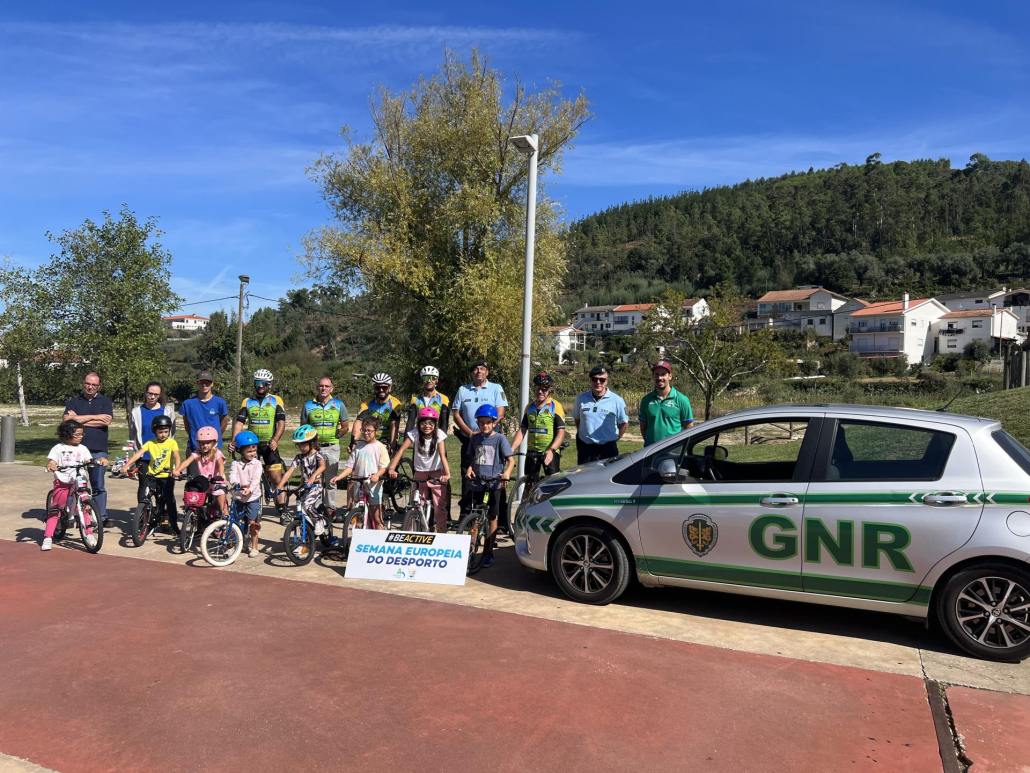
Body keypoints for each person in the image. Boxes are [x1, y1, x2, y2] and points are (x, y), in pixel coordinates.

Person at [461, 404, 515, 569]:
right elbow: (474, 458)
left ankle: (488, 552)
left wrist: (506, 473)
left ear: (494, 423)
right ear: (477, 422)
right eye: (481, 422)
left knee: (492, 517)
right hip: (478, 483)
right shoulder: (475, 438)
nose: (484, 425)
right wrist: (470, 468)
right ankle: (471, 549)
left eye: (488, 422)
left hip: (493, 484)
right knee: (475, 517)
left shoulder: (500, 439)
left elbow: (511, 460)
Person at [43, 420, 107, 551]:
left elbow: (89, 460)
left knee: (85, 507)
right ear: (67, 434)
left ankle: (89, 534)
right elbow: (52, 461)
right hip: (63, 481)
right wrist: (52, 465)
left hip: (79, 479)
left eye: (82, 434)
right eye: (77, 434)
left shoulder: (82, 448)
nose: (81, 436)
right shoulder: (58, 448)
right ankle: (48, 536)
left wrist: (99, 460)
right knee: (56, 508)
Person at [231, 368, 287, 515]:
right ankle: (249, 507)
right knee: (248, 477)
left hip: (269, 444)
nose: (260, 386)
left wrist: (275, 439)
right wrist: (234, 440)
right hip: (251, 445)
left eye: (264, 383)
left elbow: (281, 422)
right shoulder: (247, 401)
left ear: (269, 385)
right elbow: (239, 423)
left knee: (276, 478)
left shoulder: (276, 400)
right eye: (257, 383)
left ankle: (282, 510)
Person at [388, 406, 451, 532]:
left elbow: (443, 455)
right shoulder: (415, 433)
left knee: (439, 506)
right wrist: (391, 468)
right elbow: (401, 450)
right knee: (416, 504)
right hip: (420, 472)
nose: (427, 426)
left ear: (435, 424)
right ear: (419, 423)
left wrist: (447, 474)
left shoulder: (439, 434)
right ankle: (412, 531)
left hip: (436, 473)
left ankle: (442, 532)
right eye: (423, 423)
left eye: (430, 423)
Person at [63, 372, 114, 527]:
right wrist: (96, 417)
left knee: (98, 485)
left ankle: (101, 517)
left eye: (94, 385)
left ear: (99, 386)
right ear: (83, 383)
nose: (90, 387)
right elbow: (66, 420)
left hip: (98, 449)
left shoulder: (105, 401)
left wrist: (78, 419)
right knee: (73, 483)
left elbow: (105, 422)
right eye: (88, 383)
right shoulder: (74, 401)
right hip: (75, 448)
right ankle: (71, 516)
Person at [452, 360, 508, 493]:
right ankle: (467, 511)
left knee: (494, 476)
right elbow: (456, 414)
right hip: (469, 439)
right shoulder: (463, 390)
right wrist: (471, 433)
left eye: (482, 368)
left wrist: (488, 429)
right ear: (472, 373)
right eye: (476, 369)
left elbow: (501, 412)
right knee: (468, 474)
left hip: (490, 440)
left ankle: (497, 510)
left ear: (487, 372)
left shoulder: (496, 388)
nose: (479, 371)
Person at [123, 414, 181, 532]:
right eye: (160, 432)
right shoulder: (150, 443)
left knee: (169, 501)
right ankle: (147, 518)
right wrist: (127, 465)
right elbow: (138, 454)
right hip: (152, 476)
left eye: (166, 431)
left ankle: (174, 524)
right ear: (155, 432)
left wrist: (177, 469)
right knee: (146, 496)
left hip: (166, 477)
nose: (163, 434)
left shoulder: (171, 443)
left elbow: (177, 456)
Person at [331, 415, 390, 529]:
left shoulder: (380, 447)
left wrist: (377, 475)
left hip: (373, 486)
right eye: (364, 430)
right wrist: (339, 477)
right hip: (359, 484)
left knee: (376, 516)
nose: (366, 433)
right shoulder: (358, 446)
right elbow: (350, 466)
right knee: (358, 516)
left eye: (369, 430)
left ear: (376, 431)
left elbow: (384, 466)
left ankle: (379, 537)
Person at [299, 377, 348, 511]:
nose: (323, 388)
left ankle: (330, 508)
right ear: (317, 388)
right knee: (316, 479)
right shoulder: (308, 405)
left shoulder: (339, 404)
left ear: (331, 388)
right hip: (315, 448)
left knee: (331, 480)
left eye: (327, 386)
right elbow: (303, 427)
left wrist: (338, 434)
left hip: (332, 447)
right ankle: (316, 506)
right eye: (321, 386)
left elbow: (345, 426)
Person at [510, 371, 566, 481]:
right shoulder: (529, 407)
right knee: (529, 483)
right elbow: (522, 430)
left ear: (549, 390)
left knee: (552, 483)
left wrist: (551, 450)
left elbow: (561, 433)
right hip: (532, 451)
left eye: (544, 389)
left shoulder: (556, 406)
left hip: (550, 451)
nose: (540, 391)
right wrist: (511, 448)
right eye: (538, 388)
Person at [128, 381, 178, 505]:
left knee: (163, 489)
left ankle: (162, 514)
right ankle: (143, 515)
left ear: (160, 395)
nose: (152, 397)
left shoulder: (167, 411)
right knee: (144, 486)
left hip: (162, 457)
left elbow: (173, 432)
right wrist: (131, 459)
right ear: (145, 393)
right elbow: (133, 434)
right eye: (150, 393)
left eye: (156, 394)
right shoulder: (136, 412)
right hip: (144, 457)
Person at [572, 365, 629, 463]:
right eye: (595, 379)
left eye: (602, 380)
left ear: (606, 381)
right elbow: (578, 420)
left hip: (607, 450)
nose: (598, 382)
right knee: (583, 478)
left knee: (606, 478)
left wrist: (615, 438)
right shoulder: (581, 398)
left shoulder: (617, 400)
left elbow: (623, 423)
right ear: (590, 380)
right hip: (586, 449)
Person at [172, 425, 228, 516]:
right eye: (202, 443)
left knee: (220, 495)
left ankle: (224, 517)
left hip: (216, 481)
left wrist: (220, 476)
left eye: (208, 443)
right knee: (196, 498)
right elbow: (186, 462)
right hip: (204, 481)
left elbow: (220, 465)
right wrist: (177, 470)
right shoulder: (197, 453)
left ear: (214, 443)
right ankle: (197, 518)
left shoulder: (217, 453)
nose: (204, 445)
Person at [279, 424, 327, 525]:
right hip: (304, 486)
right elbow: (289, 472)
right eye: (299, 445)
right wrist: (279, 486)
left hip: (316, 486)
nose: (301, 447)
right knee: (300, 506)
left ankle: (319, 521)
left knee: (307, 505)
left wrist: (313, 477)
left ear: (312, 442)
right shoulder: (299, 457)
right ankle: (306, 529)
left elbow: (322, 466)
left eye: (303, 444)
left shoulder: (318, 454)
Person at [639, 359, 694, 446]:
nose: (659, 378)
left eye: (663, 374)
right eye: (656, 374)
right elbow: (643, 427)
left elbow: (689, 427)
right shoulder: (646, 400)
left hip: (673, 452)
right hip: (650, 452)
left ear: (670, 376)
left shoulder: (682, 400)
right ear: (653, 376)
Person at [229, 430, 264, 558]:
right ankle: (236, 544)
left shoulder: (258, 464)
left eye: (254, 450)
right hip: (238, 497)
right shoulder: (235, 464)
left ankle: (254, 546)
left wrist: (250, 488)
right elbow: (232, 477)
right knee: (236, 522)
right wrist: (237, 483)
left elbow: (256, 479)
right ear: (240, 451)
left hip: (253, 498)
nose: (252, 454)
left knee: (252, 523)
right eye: (249, 451)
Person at [178, 370, 229, 452]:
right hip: (194, 447)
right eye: (201, 382)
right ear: (197, 383)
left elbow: (224, 422)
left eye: (207, 382)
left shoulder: (220, 402)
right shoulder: (187, 404)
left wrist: (215, 435)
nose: (204, 385)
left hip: (214, 448)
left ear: (212, 384)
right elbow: (187, 425)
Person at [351, 372, 402, 451]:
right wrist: (353, 442)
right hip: (370, 437)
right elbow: (358, 422)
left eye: (384, 387)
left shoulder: (395, 404)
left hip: (387, 438)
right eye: (377, 388)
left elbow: (394, 425)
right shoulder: (367, 403)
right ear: (374, 388)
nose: (381, 390)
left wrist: (392, 445)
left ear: (390, 388)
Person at [405, 365, 450, 435]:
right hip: (419, 436)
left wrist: (441, 440)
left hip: (436, 435)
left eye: (432, 378)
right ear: (422, 380)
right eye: (426, 378)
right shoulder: (415, 399)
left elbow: (444, 423)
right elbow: (410, 422)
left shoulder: (443, 398)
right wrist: (406, 440)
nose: (429, 380)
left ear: (436, 380)